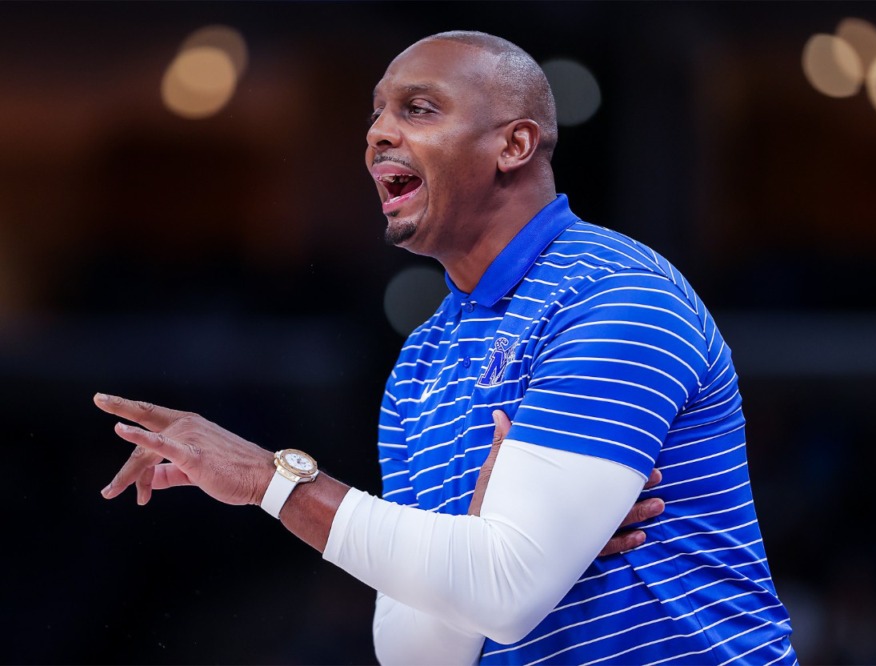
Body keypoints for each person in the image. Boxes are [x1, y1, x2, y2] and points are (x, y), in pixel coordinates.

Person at [97, 30, 796, 665]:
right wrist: (476, 535)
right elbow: (413, 653)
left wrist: (268, 479)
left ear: (514, 145)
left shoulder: (614, 298)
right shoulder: (423, 358)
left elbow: (506, 593)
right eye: (375, 114)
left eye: (418, 109)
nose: (376, 134)